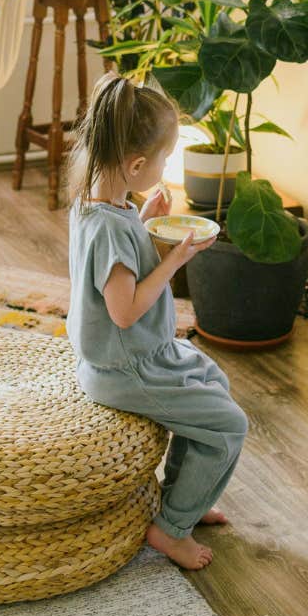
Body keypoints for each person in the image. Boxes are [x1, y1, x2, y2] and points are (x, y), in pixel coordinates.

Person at [65, 73, 248, 571]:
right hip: (126, 369)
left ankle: (187, 494)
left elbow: (116, 267)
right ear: (137, 164)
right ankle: (170, 530)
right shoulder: (107, 227)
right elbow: (124, 310)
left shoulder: (100, 203)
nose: (166, 165)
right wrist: (175, 260)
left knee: (214, 381)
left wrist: (144, 217)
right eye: (165, 159)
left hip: (137, 356)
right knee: (229, 423)